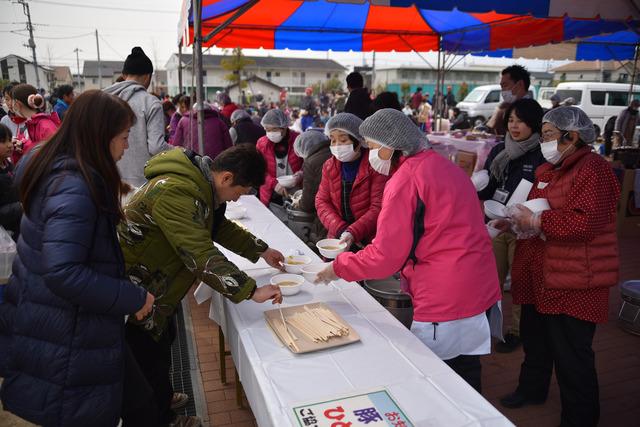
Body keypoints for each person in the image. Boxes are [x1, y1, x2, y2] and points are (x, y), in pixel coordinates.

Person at [317, 109, 501, 392]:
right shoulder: (446, 167)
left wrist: (338, 267)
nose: (371, 153)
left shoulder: (405, 180)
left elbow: (386, 256)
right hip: (480, 283)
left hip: (445, 293)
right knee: (466, 370)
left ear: (391, 146)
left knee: (436, 379)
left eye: (374, 147)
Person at [0, 90, 154, 426]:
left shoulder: (62, 168)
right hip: (66, 330)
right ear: (101, 135)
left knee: (138, 401)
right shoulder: (73, 184)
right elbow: (64, 272)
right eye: (124, 137)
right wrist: (133, 296)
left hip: (64, 320)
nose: (126, 147)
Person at [118, 145, 283, 427]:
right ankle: (160, 417)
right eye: (239, 193)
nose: (235, 200)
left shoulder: (200, 185)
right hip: (138, 289)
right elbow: (198, 251)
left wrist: (261, 249)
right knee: (145, 356)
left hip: (157, 285)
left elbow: (217, 227)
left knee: (162, 341)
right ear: (227, 178)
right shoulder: (177, 191)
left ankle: (161, 396)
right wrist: (250, 290)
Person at [494, 107, 620, 427]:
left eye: (549, 136)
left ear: (572, 137)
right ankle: (532, 389)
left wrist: (536, 219)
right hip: (542, 273)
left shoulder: (593, 170)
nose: (544, 142)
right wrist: (514, 223)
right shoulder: (551, 169)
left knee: (572, 355)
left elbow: (585, 224)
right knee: (535, 341)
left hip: (574, 279)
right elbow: (535, 210)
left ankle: (579, 418)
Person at [476, 98, 546, 353]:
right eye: (511, 121)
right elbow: (490, 185)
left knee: (519, 282)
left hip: (525, 229)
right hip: (495, 223)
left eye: (521, 121)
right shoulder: (499, 150)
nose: (514, 126)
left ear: (534, 123)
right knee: (489, 278)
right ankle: (483, 325)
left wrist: (523, 217)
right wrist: (477, 186)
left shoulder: (541, 153)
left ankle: (517, 331)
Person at [315, 113, 389, 249]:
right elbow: (321, 201)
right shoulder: (329, 166)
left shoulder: (375, 166)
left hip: (368, 240)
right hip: (338, 239)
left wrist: (353, 232)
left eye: (343, 140)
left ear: (359, 141)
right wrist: (340, 229)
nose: (337, 146)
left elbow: (378, 206)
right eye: (333, 140)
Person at [104, 46, 171, 187]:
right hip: (141, 185)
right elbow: (156, 147)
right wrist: (180, 151)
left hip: (106, 182)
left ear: (124, 75)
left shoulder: (102, 100)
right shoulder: (150, 102)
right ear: (148, 76)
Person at [256, 108, 302, 207]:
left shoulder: (298, 140)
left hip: (296, 193)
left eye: (275, 129)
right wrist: (273, 183)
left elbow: (308, 164)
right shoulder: (262, 144)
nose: (271, 133)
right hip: (269, 193)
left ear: (284, 127)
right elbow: (258, 169)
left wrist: (300, 175)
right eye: (268, 130)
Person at [10, 84, 61, 165]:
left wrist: (24, 145)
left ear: (17, 104)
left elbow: (53, 155)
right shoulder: (32, 123)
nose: (10, 105)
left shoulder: (45, 125)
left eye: (11, 101)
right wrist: (20, 146)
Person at [292, 129, 331, 214]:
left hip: (326, 212)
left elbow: (308, 203)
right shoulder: (332, 151)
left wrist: (299, 203)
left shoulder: (311, 162)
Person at [487, 65, 531, 136]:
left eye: (505, 85)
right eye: (502, 87)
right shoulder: (506, 106)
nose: (503, 91)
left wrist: (498, 113)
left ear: (520, 84)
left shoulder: (530, 109)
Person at [0, 124, 21, 239]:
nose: (9, 145)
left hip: (16, 228)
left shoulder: (9, 166)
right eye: (3, 141)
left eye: (9, 139)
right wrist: (20, 207)